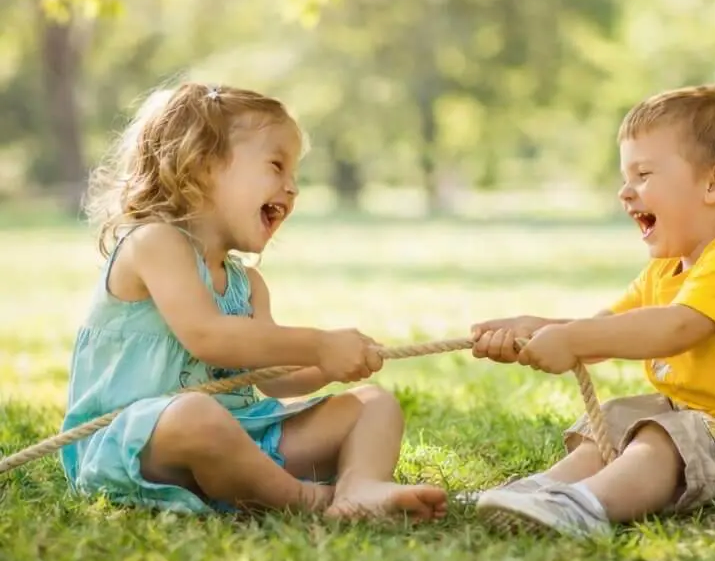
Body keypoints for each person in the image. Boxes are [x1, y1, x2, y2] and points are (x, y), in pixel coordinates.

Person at [61, 81, 447, 522]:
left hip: (241, 437)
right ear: (203, 165)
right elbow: (210, 337)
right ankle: (306, 500)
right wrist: (317, 344)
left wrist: (329, 365)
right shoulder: (155, 243)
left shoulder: (249, 285)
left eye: (294, 175)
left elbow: (271, 379)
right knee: (196, 415)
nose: (292, 188)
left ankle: (360, 487)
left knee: (373, 405)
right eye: (276, 166)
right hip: (136, 444)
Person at [470, 85, 715, 539]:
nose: (626, 192)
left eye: (643, 174)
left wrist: (573, 341)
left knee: (666, 436)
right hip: (710, 429)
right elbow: (607, 328)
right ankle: (540, 490)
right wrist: (537, 329)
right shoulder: (665, 270)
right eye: (626, 177)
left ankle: (587, 506)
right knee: (618, 419)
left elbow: (677, 327)